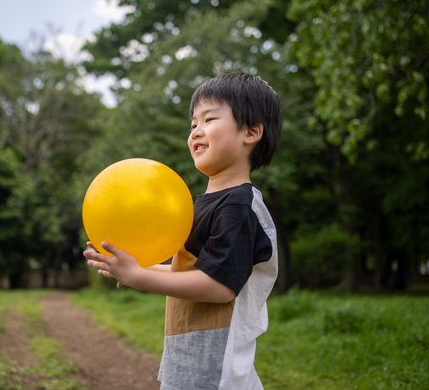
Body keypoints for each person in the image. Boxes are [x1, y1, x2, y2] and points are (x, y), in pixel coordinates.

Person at [83, 71, 282, 390]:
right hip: (186, 362)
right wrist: (135, 266)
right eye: (193, 124)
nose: (196, 132)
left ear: (251, 131)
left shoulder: (239, 205)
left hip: (217, 372)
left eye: (209, 119)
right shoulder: (200, 204)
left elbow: (219, 286)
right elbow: (189, 269)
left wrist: (141, 277)